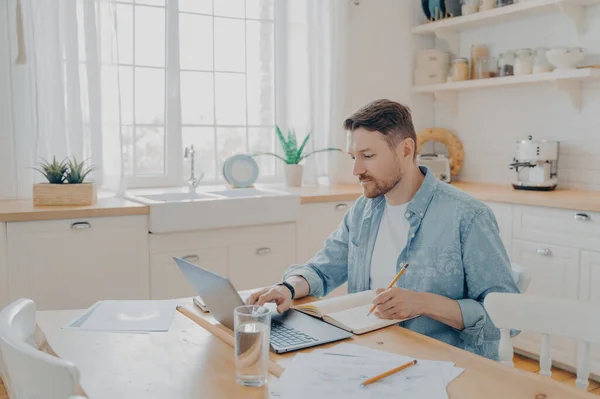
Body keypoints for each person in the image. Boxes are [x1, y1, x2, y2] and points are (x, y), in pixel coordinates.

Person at [247, 99, 520, 360]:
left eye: (368, 156)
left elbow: (508, 318)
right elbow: (322, 269)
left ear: (406, 149)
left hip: (442, 366)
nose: (356, 170)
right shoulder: (363, 211)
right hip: (370, 354)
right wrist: (287, 289)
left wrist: (423, 303)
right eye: (353, 156)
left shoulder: (467, 216)